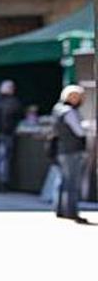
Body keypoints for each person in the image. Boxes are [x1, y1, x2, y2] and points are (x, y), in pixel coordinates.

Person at [53, 85, 89, 223]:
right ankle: (71, 211)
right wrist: (86, 127)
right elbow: (79, 131)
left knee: (63, 181)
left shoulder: (58, 109)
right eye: (73, 96)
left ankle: (61, 210)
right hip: (72, 150)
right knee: (71, 183)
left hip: (62, 149)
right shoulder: (69, 112)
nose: (76, 99)